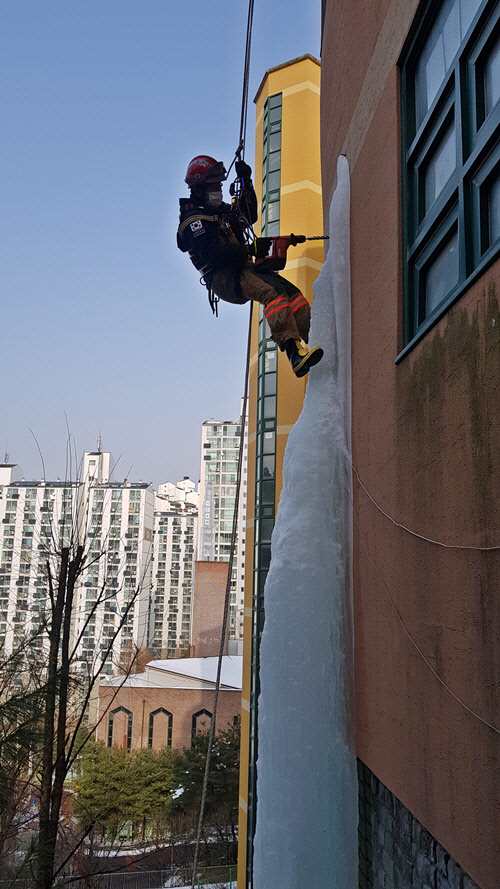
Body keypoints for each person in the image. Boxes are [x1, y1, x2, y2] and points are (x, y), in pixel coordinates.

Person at [177, 155, 323, 378]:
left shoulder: (220, 211)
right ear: (198, 188)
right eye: (214, 185)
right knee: (272, 293)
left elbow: (247, 215)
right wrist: (249, 250)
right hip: (224, 277)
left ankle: (318, 338)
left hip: (242, 268)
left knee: (292, 293)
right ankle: (295, 353)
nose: (219, 189)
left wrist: (246, 180)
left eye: (220, 184)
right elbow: (212, 255)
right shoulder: (194, 221)